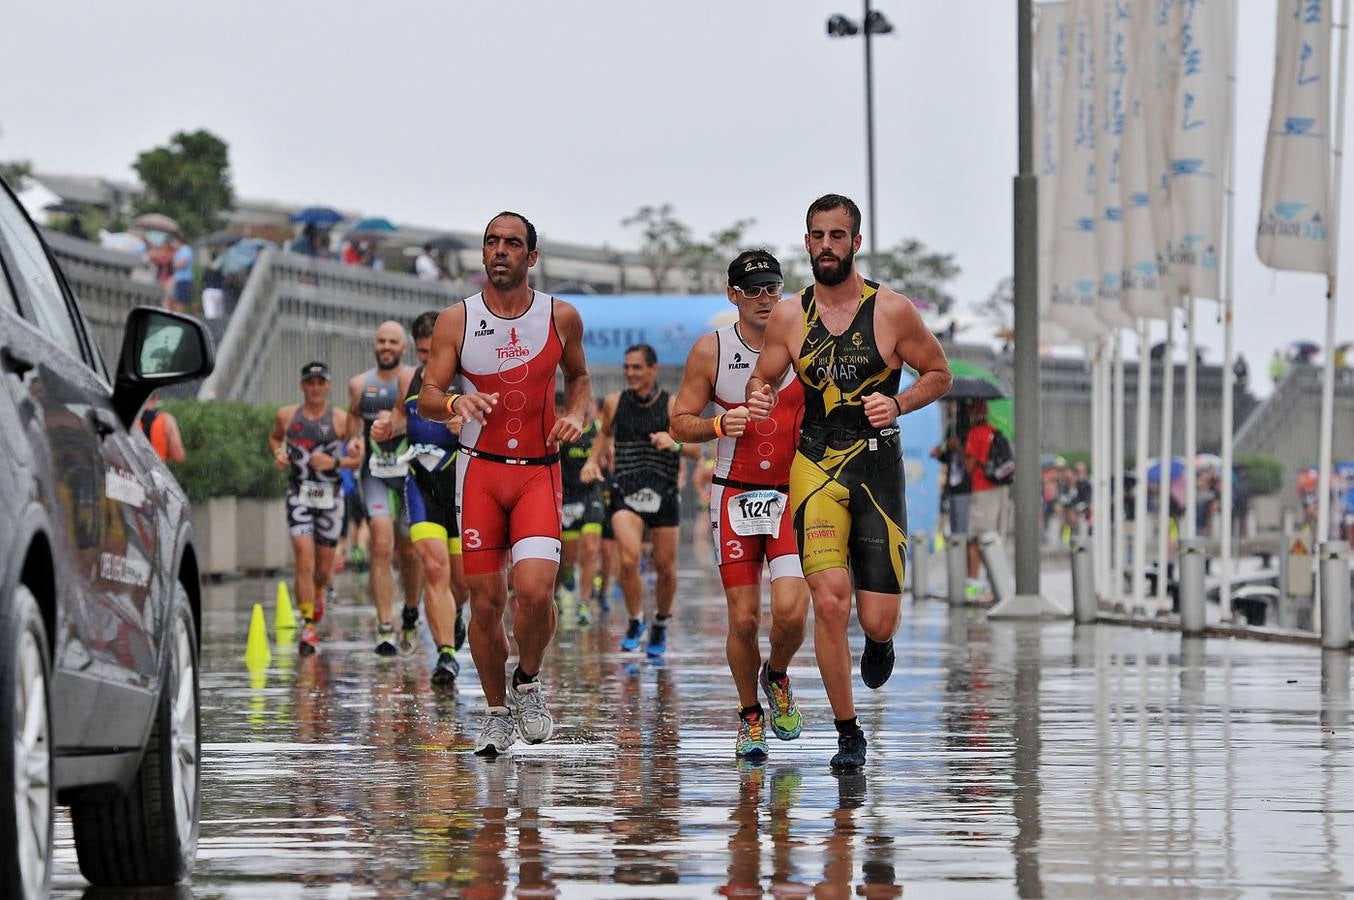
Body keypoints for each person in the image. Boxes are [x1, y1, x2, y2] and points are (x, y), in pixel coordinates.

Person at [746, 193, 951, 770]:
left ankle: (881, 640)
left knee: (875, 617)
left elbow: (939, 373)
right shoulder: (789, 315)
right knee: (829, 604)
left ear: (856, 243)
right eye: (817, 235)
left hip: (877, 471)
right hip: (814, 467)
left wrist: (901, 402)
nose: (827, 246)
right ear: (807, 242)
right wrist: (758, 395)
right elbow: (763, 378)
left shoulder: (891, 311)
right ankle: (847, 731)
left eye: (838, 236)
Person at [417, 211, 592, 756]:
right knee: (486, 603)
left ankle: (530, 681)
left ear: (531, 257)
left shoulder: (560, 317)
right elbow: (426, 392)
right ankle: (495, 712)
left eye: (512, 243)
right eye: (492, 242)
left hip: (539, 472)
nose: (500, 251)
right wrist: (454, 401)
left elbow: (579, 377)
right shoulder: (456, 320)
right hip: (481, 472)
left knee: (536, 592)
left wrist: (578, 415)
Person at [670, 248, 810, 761]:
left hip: (793, 493)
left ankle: (777, 675)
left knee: (793, 613)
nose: (764, 299)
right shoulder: (712, 350)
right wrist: (713, 425)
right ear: (733, 296)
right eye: (752, 290)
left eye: (772, 288)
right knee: (745, 619)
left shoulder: (802, 344)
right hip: (734, 492)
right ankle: (750, 714)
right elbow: (679, 420)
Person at [369, 311, 468, 685]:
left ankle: (455, 613)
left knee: (463, 583)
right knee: (434, 567)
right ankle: (445, 655)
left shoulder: (467, 379)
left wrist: (469, 426)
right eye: (423, 352)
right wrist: (385, 428)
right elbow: (400, 418)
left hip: (460, 490)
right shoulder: (409, 379)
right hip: (421, 484)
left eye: (435, 351)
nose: (429, 359)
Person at [581, 343, 698, 658]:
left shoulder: (673, 406)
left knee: (666, 568)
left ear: (653, 369)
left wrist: (672, 443)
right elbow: (604, 435)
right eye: (627, 367)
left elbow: (695, 450)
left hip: (663, 494)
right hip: (627, 491)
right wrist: (593, 461)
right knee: (629, 560)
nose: (630, 373)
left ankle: (660, 621)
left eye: (637, 368)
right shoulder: (615, 402)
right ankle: (634, 621)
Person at [269, 362, 360, 653]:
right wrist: (279, 454)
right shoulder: (286, 416)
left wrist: (335, 462)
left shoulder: (342, 420)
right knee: (303, 561)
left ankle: (318, 594)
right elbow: (274, 439)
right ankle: (307, 627)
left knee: (322, 570)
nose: (316, 387)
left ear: (329, 386)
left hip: (331, 499)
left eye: (321, 382)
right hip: (299, 495)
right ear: (302, 385)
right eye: (310, 382)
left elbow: (358, 459)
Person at [348, 321, 423, 656]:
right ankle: (383, 626)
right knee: (381, 544)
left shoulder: (412, 380)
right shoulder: (359, 384)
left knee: (409, 550)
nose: (387, 347)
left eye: (393, 341)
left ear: (403, 347)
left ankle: (409, 611)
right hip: (375, 473)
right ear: (375, 345)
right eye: (381, 341)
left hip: (410, 473)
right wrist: (353, 441)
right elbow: (352, 419)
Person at [557, 395, 606, 625]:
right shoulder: (564, 429)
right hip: (568, 496)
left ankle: (584, 604)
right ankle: (566, 571)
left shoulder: (598, 430)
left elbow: (609, 453)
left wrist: (599, 464)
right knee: (569, 557)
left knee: (590, 549)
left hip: (591, 495)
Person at [965, 399, 1010, 595]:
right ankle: (996, 583)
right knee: (995, 536)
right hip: (1000, 489)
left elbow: (970, 466)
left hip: (983, 489)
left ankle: (974, 584)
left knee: (976, 537)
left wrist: (960, 452)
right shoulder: (995, 431)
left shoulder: (976, 433)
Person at [931, 400, 972, 549]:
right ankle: (957, 560)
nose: (948, 408)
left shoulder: (967, 428)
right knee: (954, 526)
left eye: (950, 405)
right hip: (951, 484)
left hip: (964, 484)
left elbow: (969, 460)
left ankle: (962, 561)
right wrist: (940, 453)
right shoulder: (951, 428)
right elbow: (948, 456)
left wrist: (959, 447)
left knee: (962, 528)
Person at [139, 393, 186, 464]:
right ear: (157, 397)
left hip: (127, 469)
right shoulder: (166, 420)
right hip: (154, 471)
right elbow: (178, 456)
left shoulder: (125, 414)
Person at [169, 236, 194, 313]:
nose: (173, 244)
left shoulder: (186, 250)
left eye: (174, 242)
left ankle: (181, 316)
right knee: (178, 299)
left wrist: (175, 264)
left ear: (179, 241)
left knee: (183, 301)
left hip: (185, 279)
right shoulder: (178, 251)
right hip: (179, 279)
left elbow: (182, 263)